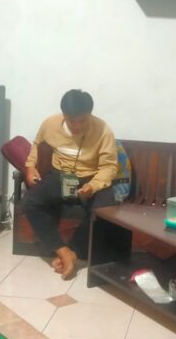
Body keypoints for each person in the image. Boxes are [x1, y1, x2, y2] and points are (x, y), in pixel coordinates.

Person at [23, 89, 117, 280]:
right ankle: (62, 250)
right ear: (64, 115)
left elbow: (109, 166)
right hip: (60, 176)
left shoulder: (103, 130)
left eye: (83, 120)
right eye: (72, 121)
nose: (77, 126)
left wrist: (93, 185)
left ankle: (73, 251)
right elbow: (36, 145)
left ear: (90, 114)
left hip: (92, 177)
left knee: (105, 210)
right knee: (30, 201)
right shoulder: (50, 124)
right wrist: (30, 167)